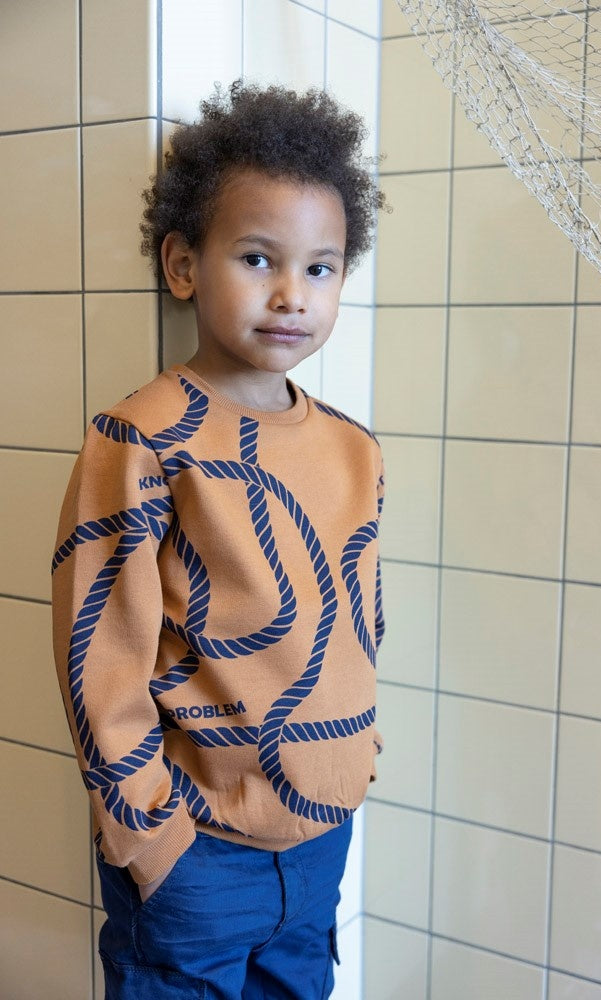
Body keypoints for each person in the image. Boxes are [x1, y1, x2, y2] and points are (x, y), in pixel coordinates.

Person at [51, 80, 386, 1000]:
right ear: (183, 265)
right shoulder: (143, 438)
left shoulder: (354, 448)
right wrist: (147, 836)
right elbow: (101, 655)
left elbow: (357, 621)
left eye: (320, 268)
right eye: (256, 257)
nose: (290, 295)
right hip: (195, 855)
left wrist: (353, 756)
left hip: (320, 837)